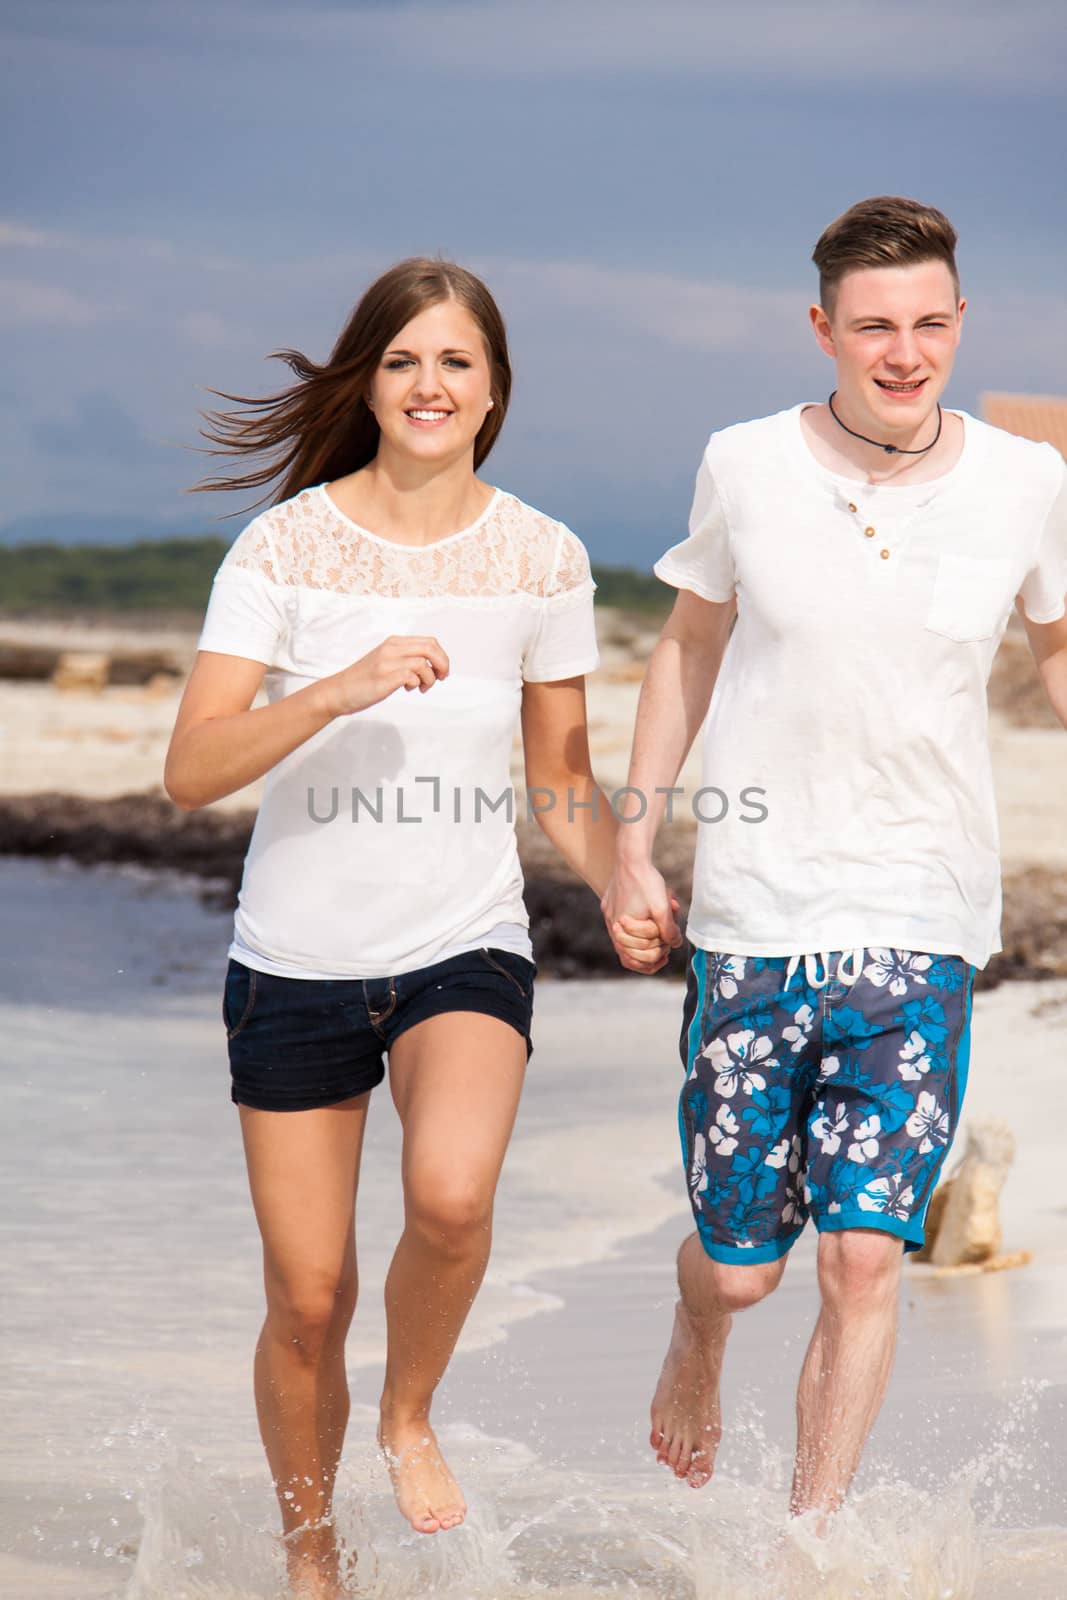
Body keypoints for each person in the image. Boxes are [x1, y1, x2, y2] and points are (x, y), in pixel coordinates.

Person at [164, 258, 662, 1599]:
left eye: (455, 361)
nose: (430, 385)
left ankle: (409, 1415)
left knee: (450, 1199)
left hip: (466, 944)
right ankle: (310, 1550)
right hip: (294, 963)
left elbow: (559, 767)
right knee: (307, 1302)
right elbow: (193, 769)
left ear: (494, 387)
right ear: (368, 382)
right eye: (403, 361)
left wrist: (621, 871)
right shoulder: (285, 546)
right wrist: (333, 688)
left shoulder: (542, 556)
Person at [602, 196, 1067, 1523]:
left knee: (867, 1259)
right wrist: (635, 844)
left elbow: (1058, 646)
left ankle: (807, 1548)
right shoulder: (746, 464)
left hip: (921, 912)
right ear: (824, 329)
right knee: (745, 1268)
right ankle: (698, 1333)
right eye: (875, 327)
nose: (904, 352)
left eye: (929, 324)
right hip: (756, 910)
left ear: (961, 322)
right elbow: (687, 648)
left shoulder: (1027, 482)